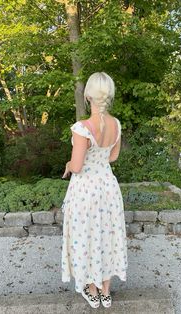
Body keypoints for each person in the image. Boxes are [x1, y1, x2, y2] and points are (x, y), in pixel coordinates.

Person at [61, 72, 128, 309]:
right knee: (107, 235)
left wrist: (69, 165)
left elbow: (77, 166)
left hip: (85, 191)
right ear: (108, 96)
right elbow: (113, 156)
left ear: (89, 95)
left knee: (86, 236)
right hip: (108, 189)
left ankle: (91, 289)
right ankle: (106, 292)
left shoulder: (82, 128)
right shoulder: (116, 124)